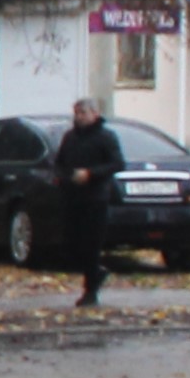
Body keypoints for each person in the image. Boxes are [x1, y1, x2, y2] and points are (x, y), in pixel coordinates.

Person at [49, 93, 126, 308]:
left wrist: (91, 174)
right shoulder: (70, 137)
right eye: (77, 113)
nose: (79, 117)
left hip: (96, 198)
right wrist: (63, 177)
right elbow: (59, 163)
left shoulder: (105, 136)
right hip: (72, 197)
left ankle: (90, 291)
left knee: (92, 245)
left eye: (84, 113)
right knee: (72, 245)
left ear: (95, 114)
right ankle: (97, 273)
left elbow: (118, 163)